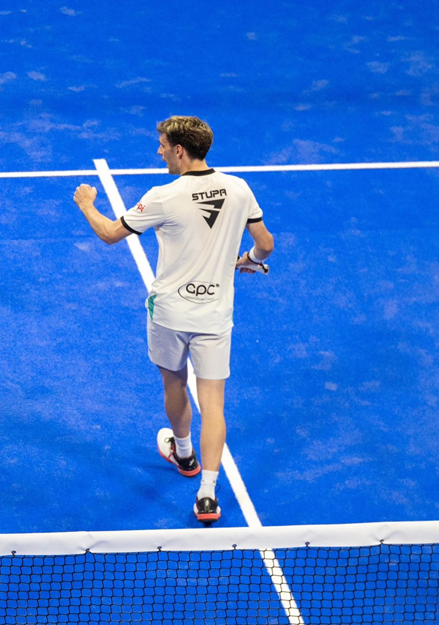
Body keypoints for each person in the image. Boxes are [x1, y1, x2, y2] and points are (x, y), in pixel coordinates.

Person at [73, 116, 274, 524]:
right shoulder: (239, 188)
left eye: (162, 145)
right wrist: (248, 261)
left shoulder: (164, 196)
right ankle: (206, 495)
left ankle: (184, 454)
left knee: (175, 383)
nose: (159, 151)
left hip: (169, 313)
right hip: (215, 315)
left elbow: (111, 234)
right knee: (213, 404)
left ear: (180, 150)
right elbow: (265, 244)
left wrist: (86, 204)